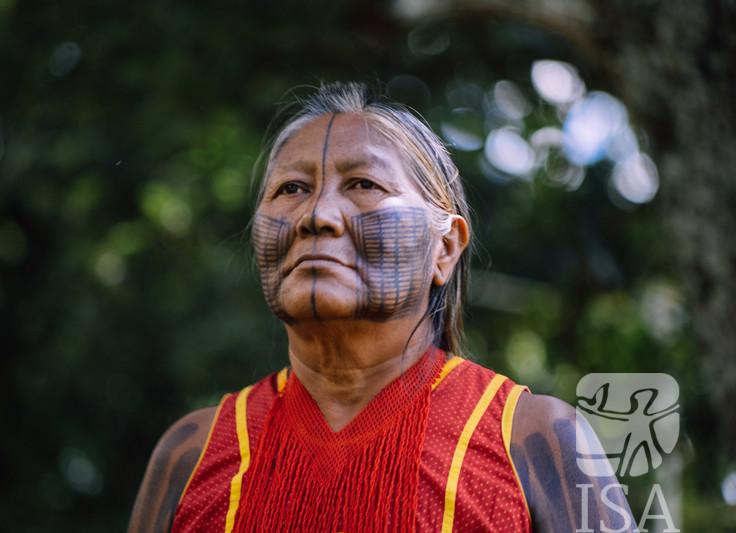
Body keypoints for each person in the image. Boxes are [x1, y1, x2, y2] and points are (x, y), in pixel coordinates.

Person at [128, 82, 633, 532]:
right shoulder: (192, 453)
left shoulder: (533, 439)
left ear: (446, 248)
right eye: (291, 189)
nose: (317, 216)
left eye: (363, 184)